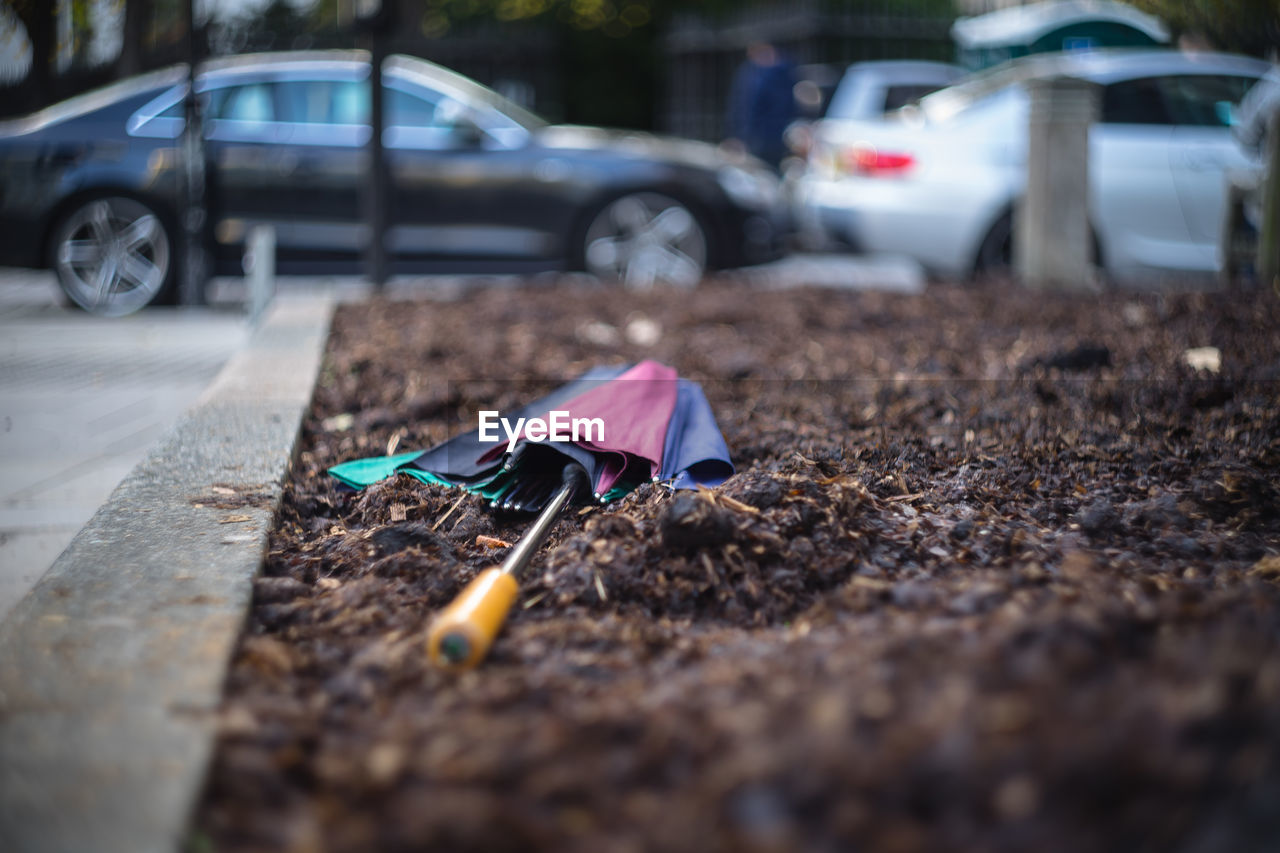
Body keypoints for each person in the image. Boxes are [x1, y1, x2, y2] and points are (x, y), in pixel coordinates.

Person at [725, 41, 797, 170]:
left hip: (767, 136)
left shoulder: (758, 75)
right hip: (770, 135)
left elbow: (745, 107)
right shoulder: (784, 71)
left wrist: (739, 135)